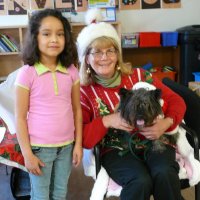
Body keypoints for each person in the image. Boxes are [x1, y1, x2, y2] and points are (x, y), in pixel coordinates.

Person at [77, 9, 186, 200]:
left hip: (156, 141)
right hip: (116, 149)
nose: (105, 57)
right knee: (139, 181)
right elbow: (83, 138)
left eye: (110, 50)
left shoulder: (139, 75)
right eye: (97, 52)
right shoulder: (83, 92)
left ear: (117, 54)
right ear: (86, 58)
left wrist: (166, 123)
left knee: (164, 173)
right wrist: (106, 121)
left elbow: (176, 101)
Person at [15, 9, 82, 200]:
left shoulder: (71, 71)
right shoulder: (27, 73)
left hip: (67, 146)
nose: (54, 39)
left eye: (60, 34)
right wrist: (27, 155)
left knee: (60, 193)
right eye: (46, 33)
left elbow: (77, 110)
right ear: (35, 37)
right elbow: (20, 117)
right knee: (41, 196)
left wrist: (78, 145)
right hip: (39, 149)